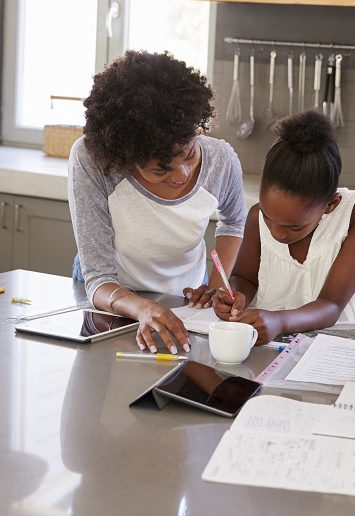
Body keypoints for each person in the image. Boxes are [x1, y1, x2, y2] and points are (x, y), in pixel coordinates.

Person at [68, 50, 248, 355]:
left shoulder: (221, 159)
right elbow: (98, 280)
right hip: (109, 303)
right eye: (160, 170)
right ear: (126, 158)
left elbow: (233, 222)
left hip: (187, 300)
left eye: (190, 154)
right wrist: (142, 308)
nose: (182, 174)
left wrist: (217, 286)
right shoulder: (93, 161)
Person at [213, 110, 355, 344]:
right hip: (269, 348)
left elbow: (331, 305)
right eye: (267, 216)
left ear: (330, 205)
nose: (276, 232)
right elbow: (245, 277)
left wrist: (278, 322)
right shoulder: (255, 217)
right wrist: (235, 294)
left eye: (294, 227)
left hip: (338, 350)